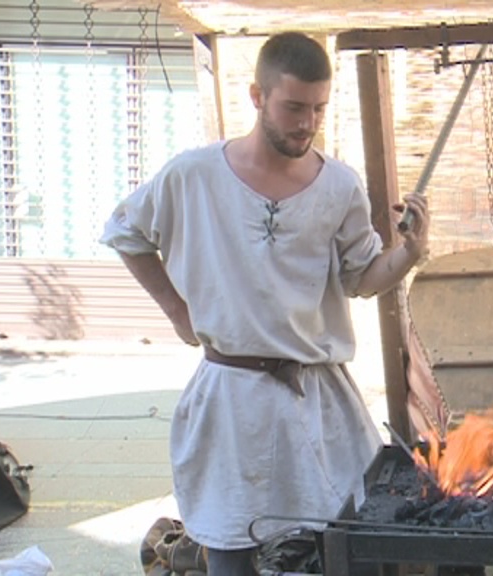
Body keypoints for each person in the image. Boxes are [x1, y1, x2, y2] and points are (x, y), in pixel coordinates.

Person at [100, 31, 430, 575]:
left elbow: (363, 278)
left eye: (318, 109)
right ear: (258, 96)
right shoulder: (193, 175)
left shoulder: (340, 187)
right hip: (231, 395)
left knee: (350, 540)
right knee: (232, 549)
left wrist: (410, 253)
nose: (306, 122)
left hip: (318, 395)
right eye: (294, 107)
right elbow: (125, 232)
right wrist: (179, 312)